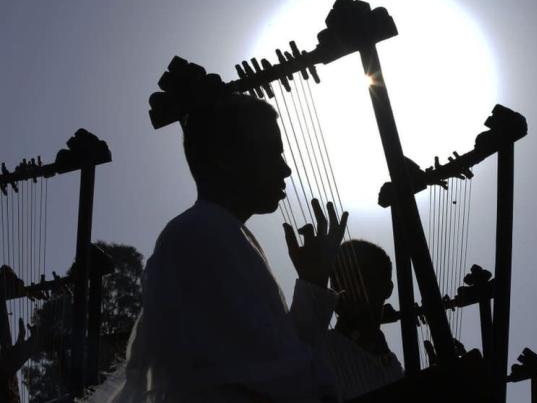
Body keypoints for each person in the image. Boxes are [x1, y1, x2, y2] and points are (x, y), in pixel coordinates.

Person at [109, 93, 348, 402]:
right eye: (273, 153)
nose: (286, 170)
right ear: (225, 159)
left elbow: (274, 362)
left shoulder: (214, 232)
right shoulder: (203, 234)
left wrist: (314, 282)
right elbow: (281, 382)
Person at [318, 240, 403, 400]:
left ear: (387, 288)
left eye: (359, 274)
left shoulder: (395, 370)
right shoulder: (313, 350)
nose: (345, 284)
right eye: (337, 276)